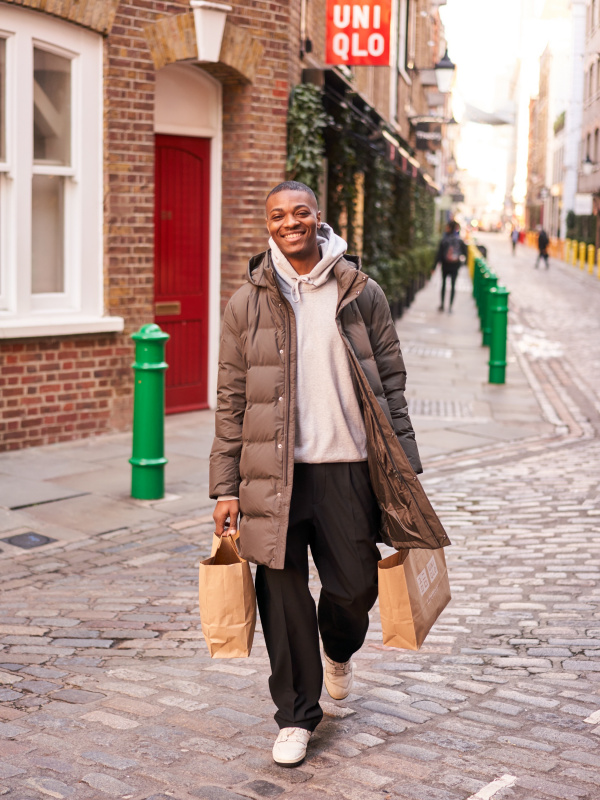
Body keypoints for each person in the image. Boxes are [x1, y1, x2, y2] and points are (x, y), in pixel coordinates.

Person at [209, 181, 442, 768]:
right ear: (268, 225)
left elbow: (392, 385)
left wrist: (405, 468)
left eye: (301, 212)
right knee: (282, 597)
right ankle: (295, 715)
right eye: (278, 215)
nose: (291, 223)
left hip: (348, 468)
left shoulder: (362, 292)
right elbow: (231, 399)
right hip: (272, 472)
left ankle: (338, 649)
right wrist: (224, 486)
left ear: (319, 218)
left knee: (355, 586)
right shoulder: (247, 302)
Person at [435, 219, 466, 312]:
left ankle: (442, 305)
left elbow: (439, 254)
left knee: (444, 284)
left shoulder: (444, 240)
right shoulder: (459, 240)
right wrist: (462, 263)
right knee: (453, 285)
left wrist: (434, 266)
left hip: (445, 265)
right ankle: (450, 307)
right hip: (455, 266)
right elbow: (464, 253)